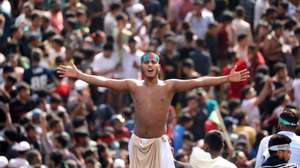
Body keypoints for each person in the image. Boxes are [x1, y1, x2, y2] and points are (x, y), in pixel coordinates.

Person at [57, 52, 249, 168]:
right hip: (137, 142)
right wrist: (80, 75)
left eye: (153, 62)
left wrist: (226, 79)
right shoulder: (133, 85)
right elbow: (107, 82)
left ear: (158, 66)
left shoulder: (169, 86)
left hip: (159, 143)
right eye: (146, 62)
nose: (149, 65)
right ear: (142, 66)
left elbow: (199, 82)